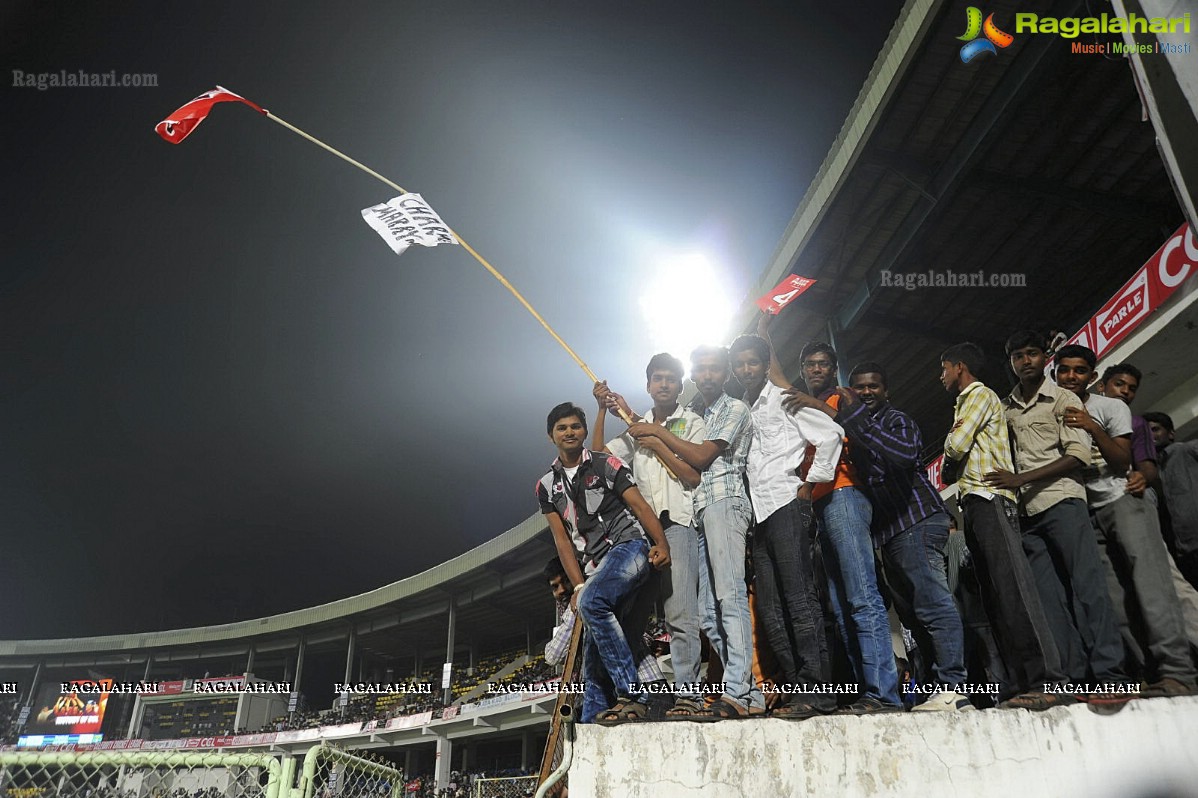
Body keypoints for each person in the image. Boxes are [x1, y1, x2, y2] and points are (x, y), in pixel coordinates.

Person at [621, 345, 765, 718]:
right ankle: (746, 691)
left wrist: (654, 433)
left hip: (723, 502)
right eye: (701, 370)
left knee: (730, 598)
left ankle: (739, 691)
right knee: (705, 612)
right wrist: (621, 409)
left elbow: (698, 460)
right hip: (697, 513)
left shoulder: (733, 408)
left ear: (725, 374)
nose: (707, 376)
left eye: (714, 370)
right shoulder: (698, 413)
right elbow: (659, 431)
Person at [827, 362, 970, 710]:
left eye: (873, 386)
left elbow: (903, 455)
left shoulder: (896, 420)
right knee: (912, 617)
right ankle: (934, 689)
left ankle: (954, 685)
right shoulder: (857, 429)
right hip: (889, 534)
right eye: (858, 387)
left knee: (933, 604)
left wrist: (855, 417)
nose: (865, 393)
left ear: (885, 391)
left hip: (917, 522)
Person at [989, 331, 1126, 696]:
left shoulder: (1063, 398)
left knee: (1089, 590)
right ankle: (1076, 681)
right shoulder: (1006, 408)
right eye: (1018, 355)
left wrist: (1020, 479)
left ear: (1043, 358)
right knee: (1050, 602)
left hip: (1063, 502)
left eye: (1032, 353)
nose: (1025, 361)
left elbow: (1078, 457)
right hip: (1027, 514)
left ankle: (1112, 677)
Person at [772, 331, 902, 715]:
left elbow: (847, 426)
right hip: (821, 503)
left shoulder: (843, 396)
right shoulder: (803, 400)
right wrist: (766, 333)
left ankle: (885, 693)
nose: (816, 369)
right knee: (840, 603)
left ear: (833, 370)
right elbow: (778, 380)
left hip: (846, 494)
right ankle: (862, 691)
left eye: (822, 364)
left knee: (862, 595)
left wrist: (811, 401)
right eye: (809, 365)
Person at [1054, 348, 1195, 697]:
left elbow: (1132, 462)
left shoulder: (1113, 409)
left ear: (1092, 376)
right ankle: (1148, 675)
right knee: (1115, 601)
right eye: (1065, 370)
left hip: (1124, 500)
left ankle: (1179, 671)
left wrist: (1091, 426)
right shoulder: (1050, 409)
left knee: (1155, 589)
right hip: (1085, 511)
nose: (1072, 377)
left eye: (1080, 371)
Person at [939, 342, 1066, 709]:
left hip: (991, 500)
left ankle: (1048, 680)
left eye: (944, 368)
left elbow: (956, 446)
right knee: (996, 597)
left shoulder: (977, 395)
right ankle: (1018, 682)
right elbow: (951, 460)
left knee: (1014, 591)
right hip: (976, 502)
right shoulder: (966, 402)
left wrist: (950, 456)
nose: (941, 377)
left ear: (959, 366)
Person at [730, 334, 844, 718]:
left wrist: (808, 487)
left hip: (786, 504)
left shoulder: (784, 398)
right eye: (740, 364)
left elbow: (831, 434)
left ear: (765, 365)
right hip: (759, 515)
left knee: (799, 599)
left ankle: (819, 692)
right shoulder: (742, 411)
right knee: (771, 606)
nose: (746, 370)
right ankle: (797, 689)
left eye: (752, 363)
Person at [590, 353, 711, 719]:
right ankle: (631, 696)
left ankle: (688, 694)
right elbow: (598, 457)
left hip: (677, 524)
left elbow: (693, 475)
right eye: (657, 378)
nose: (663, 384)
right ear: (648, 385)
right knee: (632, 617)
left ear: (679, 385)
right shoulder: (633, 428)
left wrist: (657, 439)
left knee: (681, 613)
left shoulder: (691, 421)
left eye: (671, 379)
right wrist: (599, 411)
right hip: (640, 534)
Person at [535, 402, 671, 724]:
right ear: (551, 435)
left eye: (575, 426)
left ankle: (633, 694)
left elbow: (638, 506)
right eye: (562, 428)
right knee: (593, 633)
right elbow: (562, 540)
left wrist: (661, 544)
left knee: (593, 603)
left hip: (630, 547)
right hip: (595, 567)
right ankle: (594, 714)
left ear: (583, 431)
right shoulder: (545, 486)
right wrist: (579, 584)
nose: (569, 432)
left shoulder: (605, 463)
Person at [1099, 365, 1198, 654]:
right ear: (1102, 386)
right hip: (1096, 513)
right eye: (1119, 384)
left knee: (1167, 583)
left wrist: (1143, 475)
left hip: (1133, 501)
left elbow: (1149, 470)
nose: (1125, 392)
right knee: (1119, 592)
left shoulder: (1136, 422)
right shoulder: (1083, 416)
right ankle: (1148, 665)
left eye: (1131, 388)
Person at [1143, 412, 1198, 591]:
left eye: (1155, 430)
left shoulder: (1185, 450)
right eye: (1146, 432)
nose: (1150, 436)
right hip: (1183, 552)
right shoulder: (1147, 472)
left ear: (1171, 434)